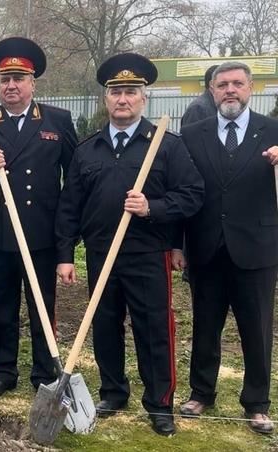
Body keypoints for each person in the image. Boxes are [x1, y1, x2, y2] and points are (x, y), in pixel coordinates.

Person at [55, 53, 204, 436]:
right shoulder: (88, 149)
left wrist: (152, 207)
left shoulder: (165, 145)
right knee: (105, 326)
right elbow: (70, 206)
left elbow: (192, 194)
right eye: (116, 92)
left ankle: (159, 403)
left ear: (143, 98)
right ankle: (113, 392)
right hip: (101, 253)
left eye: (131, 92)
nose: (123, 99)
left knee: (154, 329)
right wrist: (65, 255)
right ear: (106, 98)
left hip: (147, 255)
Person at [0, 37, 77, 400]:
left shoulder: (57, 120)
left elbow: (74, 179)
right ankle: (4, 370)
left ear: (32, 83)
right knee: (2, 306)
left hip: (42, 232)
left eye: (18, 79)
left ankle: (43, 370)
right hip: (2, 232)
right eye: (4, 80)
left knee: (42, 304)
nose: (11, 86)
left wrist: (67, 239)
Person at [176, 61, 278, 434]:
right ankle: (201, 392)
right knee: (205, 325)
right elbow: (182, 190)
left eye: (237, 83)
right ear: (212, 90)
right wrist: (178, 244)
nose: (230, 90)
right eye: (222, 85)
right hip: (206, 248)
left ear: (251, 88)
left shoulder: (273, 131)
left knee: (257, 329)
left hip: (257, 248)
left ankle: (257, 403)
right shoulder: (192, 134)